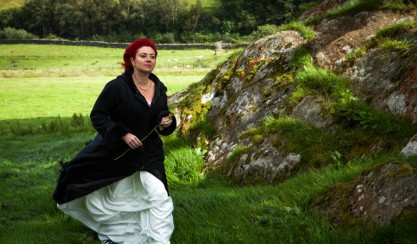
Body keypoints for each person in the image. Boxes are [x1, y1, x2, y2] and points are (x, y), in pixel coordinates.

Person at [53, 38, 177, 244]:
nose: (149, 60)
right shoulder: (117, 87)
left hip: (150, 154)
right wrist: (123, 134)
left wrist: (166, 123)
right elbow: (98, 115)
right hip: (119, 154)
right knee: (117, 200)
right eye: (143, 56)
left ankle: (159, 241)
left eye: (152, 56)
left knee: (159, 196)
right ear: (131, 60)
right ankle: (115, 236)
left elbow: (160, 115)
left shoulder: (159, 87)